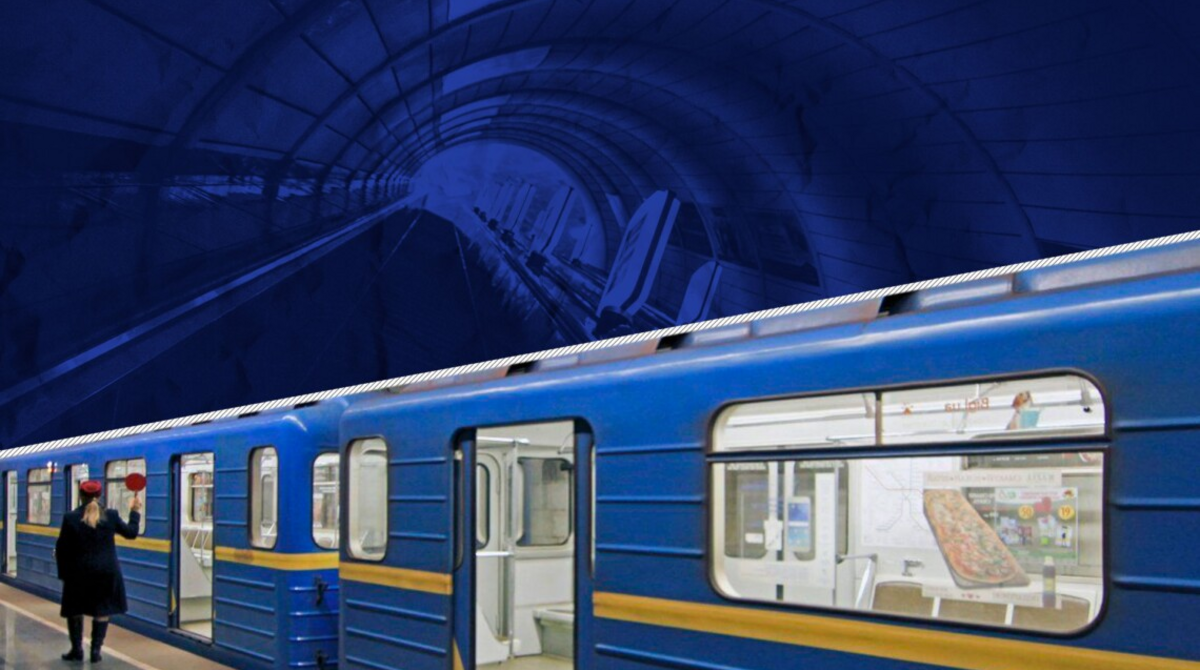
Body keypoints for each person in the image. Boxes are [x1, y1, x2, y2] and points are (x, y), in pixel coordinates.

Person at [55, 480, 141, 663]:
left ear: (81, 496)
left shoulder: (70, 517)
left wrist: (63, 574)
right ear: (100, 495)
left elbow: (62, 549)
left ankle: (77, 650)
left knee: (75, 610)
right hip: (106, 572)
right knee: (102, 610)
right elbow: (131, 533)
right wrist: (135, 511)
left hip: (78, 573)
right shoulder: (111, 515)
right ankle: (95, 651)